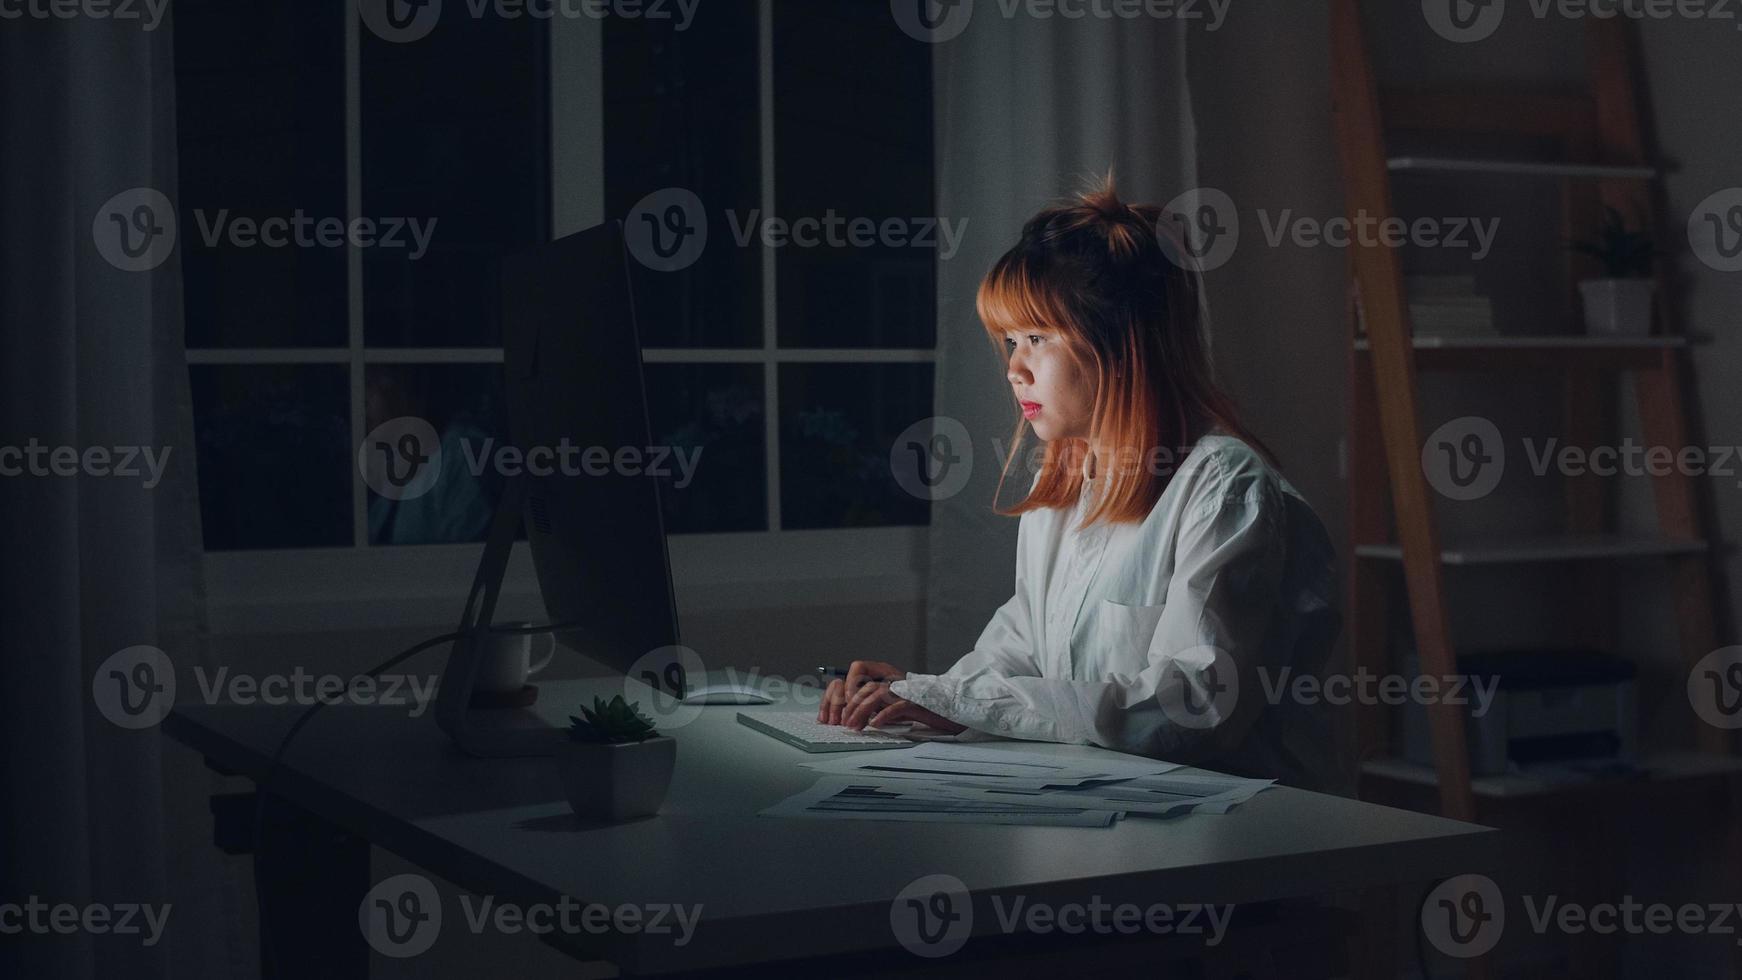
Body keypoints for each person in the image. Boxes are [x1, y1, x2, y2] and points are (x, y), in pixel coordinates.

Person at [816, 175, 1343, 792]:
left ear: (1117, 344)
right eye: (1010, 341)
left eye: (1036, 339)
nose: (1013, 368)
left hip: (1246, 837)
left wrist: (962, 705)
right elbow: (1022, 652)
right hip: (1119, 814)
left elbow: (1194, 705)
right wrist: (922, 696)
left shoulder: (1223, 488)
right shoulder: (1066, 483)